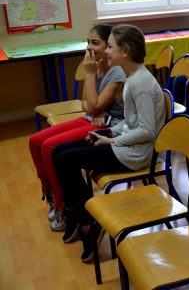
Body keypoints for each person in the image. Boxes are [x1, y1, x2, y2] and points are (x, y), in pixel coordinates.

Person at [53, 24, 166, 262]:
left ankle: (87, 221)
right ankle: (80, 214)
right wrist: (108, 132)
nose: (106, 52)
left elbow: (147, 131)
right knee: (60, 152)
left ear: (126, 51)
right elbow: (130, 121)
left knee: (65, 160)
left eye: (110, 47)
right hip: (125, 144)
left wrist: (112, 140)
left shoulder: (140, 84)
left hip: (135, 154)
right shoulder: (132, 78)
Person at [29, 24, 125, 232]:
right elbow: (85, 103)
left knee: (49, 147)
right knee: (35, 141)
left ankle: (63, 206)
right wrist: (94, 106)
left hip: (104, 125)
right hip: (91, 118)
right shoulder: (96, 65)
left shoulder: (116, 71)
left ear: (110, 46)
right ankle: (51, 194)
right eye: (88, 42)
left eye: (95, 43)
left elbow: (94, 105)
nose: (89, 47)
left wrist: (94, 101)